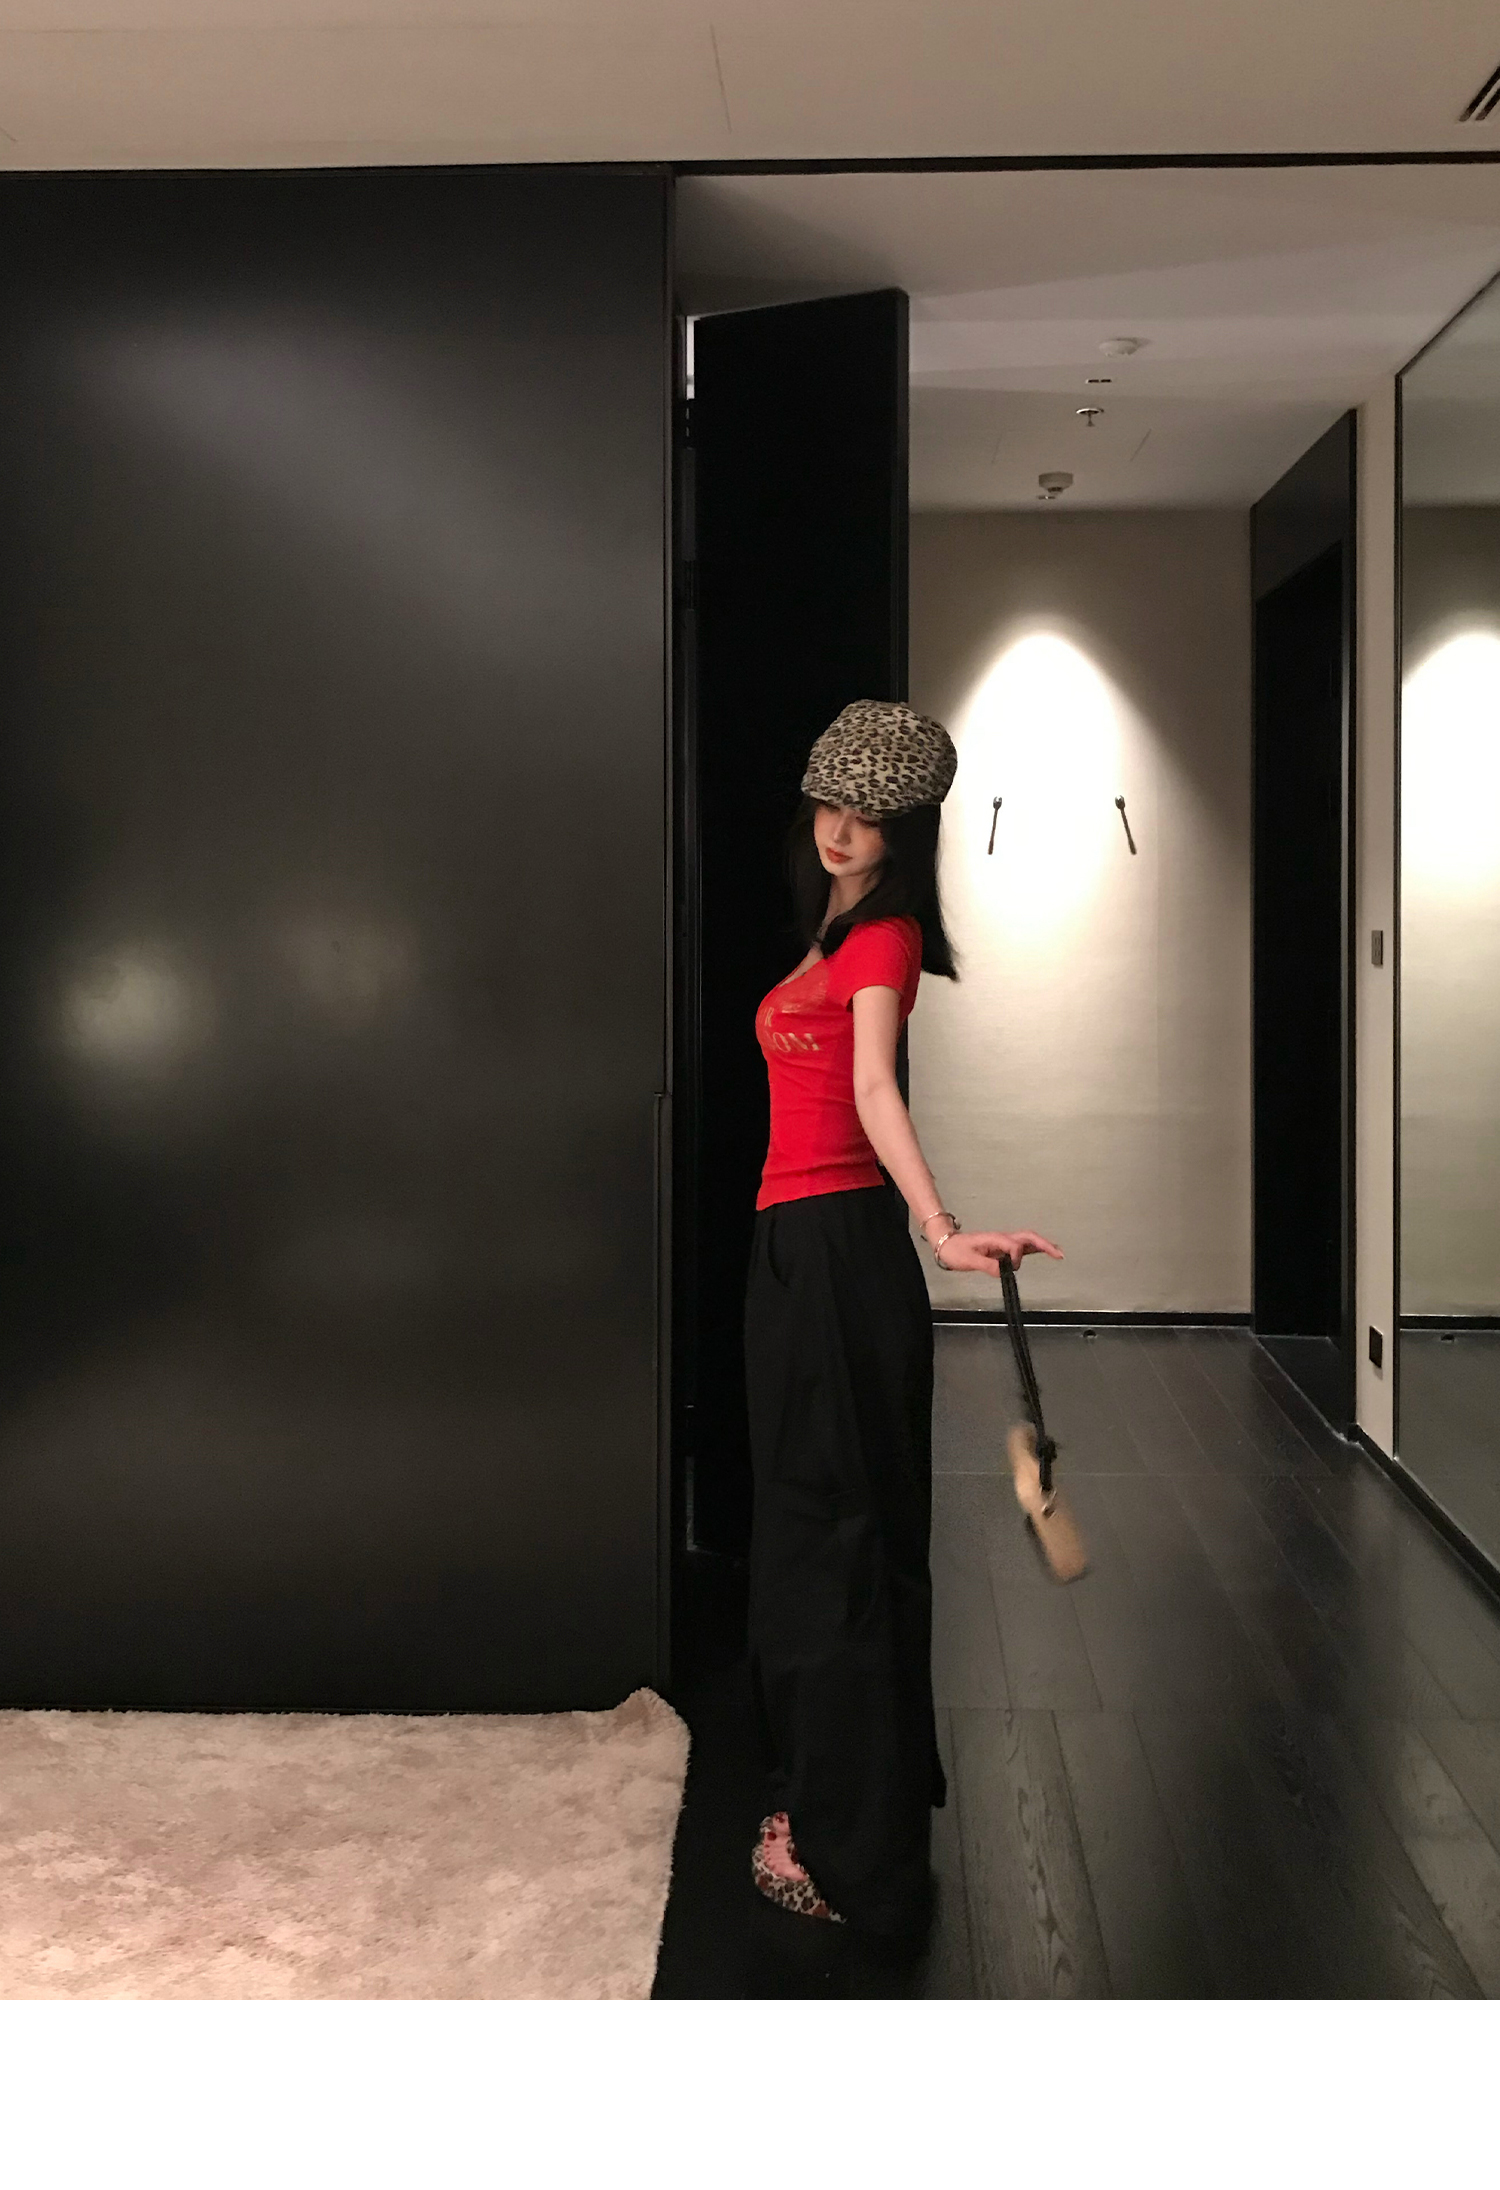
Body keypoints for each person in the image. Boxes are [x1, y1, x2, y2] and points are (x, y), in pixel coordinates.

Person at [745, 698, 1063, 1936]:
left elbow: (876, 1089)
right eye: (830, 804)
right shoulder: (833, 934)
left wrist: (940, 1227)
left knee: (840, 1544)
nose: (841, 830)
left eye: (870, 817)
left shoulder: (880, 940)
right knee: (819, 1532)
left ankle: (852, 1851)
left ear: (908, 831)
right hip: (799, 1246)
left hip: (839, 1244)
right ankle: (836, 1799)